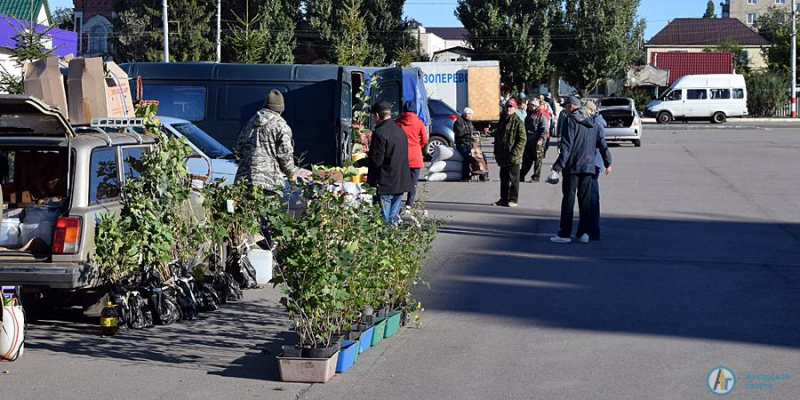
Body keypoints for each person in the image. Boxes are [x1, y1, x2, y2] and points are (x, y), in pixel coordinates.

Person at [550, 97, 611, 244]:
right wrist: (608, 161)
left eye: (566, 107)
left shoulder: (570, 120)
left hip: (573, 166)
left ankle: (565, 233)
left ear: (572, 106)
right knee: (585, 202)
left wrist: (557, 167)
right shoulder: (594, 122)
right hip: (589, 167)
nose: (564, 109)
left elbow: (566, 146)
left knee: (568, 200)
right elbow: (602, 143)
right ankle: (583, 233)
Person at [355, 101, 413, 224]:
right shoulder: (400, 131)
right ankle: (394, 242)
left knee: (383, 221)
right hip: (399, 182)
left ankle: (384, 240)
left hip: (385, 183)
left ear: (377, 115)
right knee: (392, 219)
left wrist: (360, 162)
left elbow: (376, 160)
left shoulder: (380, 133)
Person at [235, 89, 301, 189]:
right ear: (281, 109)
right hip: (269, 182)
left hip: (245, 181)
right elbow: (285, 155)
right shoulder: (281, 126)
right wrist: (291, 174)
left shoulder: (250, 123)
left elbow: (239, 149)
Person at [584, 101, 612, 240]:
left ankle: (593, 230)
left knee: (592, 199)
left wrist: (608, 162)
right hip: (593, 163)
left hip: (593, 164)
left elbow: (601, 144)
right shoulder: (596, 122)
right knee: (589, 198)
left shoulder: (597, 124)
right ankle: (590, 229)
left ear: (591, 111)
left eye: (585, 110)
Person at [493, 98, 526, 207]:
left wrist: (515, 153)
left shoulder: (518, 121)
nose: (509, 108)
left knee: (514, 179)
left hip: (513, 156)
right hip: (503, 155)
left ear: (515, 108)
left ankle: (513, 199)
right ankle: (503, 198)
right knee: (504, 179)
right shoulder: (502, 120)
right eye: (507, 106)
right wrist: (496, 151)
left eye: (511, 107)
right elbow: (497, 137)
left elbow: (522, 139)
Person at [395, 101, 428, 209]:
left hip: (402, 155)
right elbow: (424, 139)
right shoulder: (419, 122)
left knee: (400, 180)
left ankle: (397, 202)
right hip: (416, 155)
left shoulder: (398, 122)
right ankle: (409, 202)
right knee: (413, 180)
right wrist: (419, 146)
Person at [521, 100, 551, 182]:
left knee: (538, 160)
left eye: (531, 105)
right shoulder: (530, 113)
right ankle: (521, 175)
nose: (529, 106)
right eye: (529, 105)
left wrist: (541, 139)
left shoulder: (541, 114)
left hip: (537, 140)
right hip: (529, 139)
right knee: (526, 159)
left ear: (535, 105)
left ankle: (536, 177)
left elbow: (545, 128)